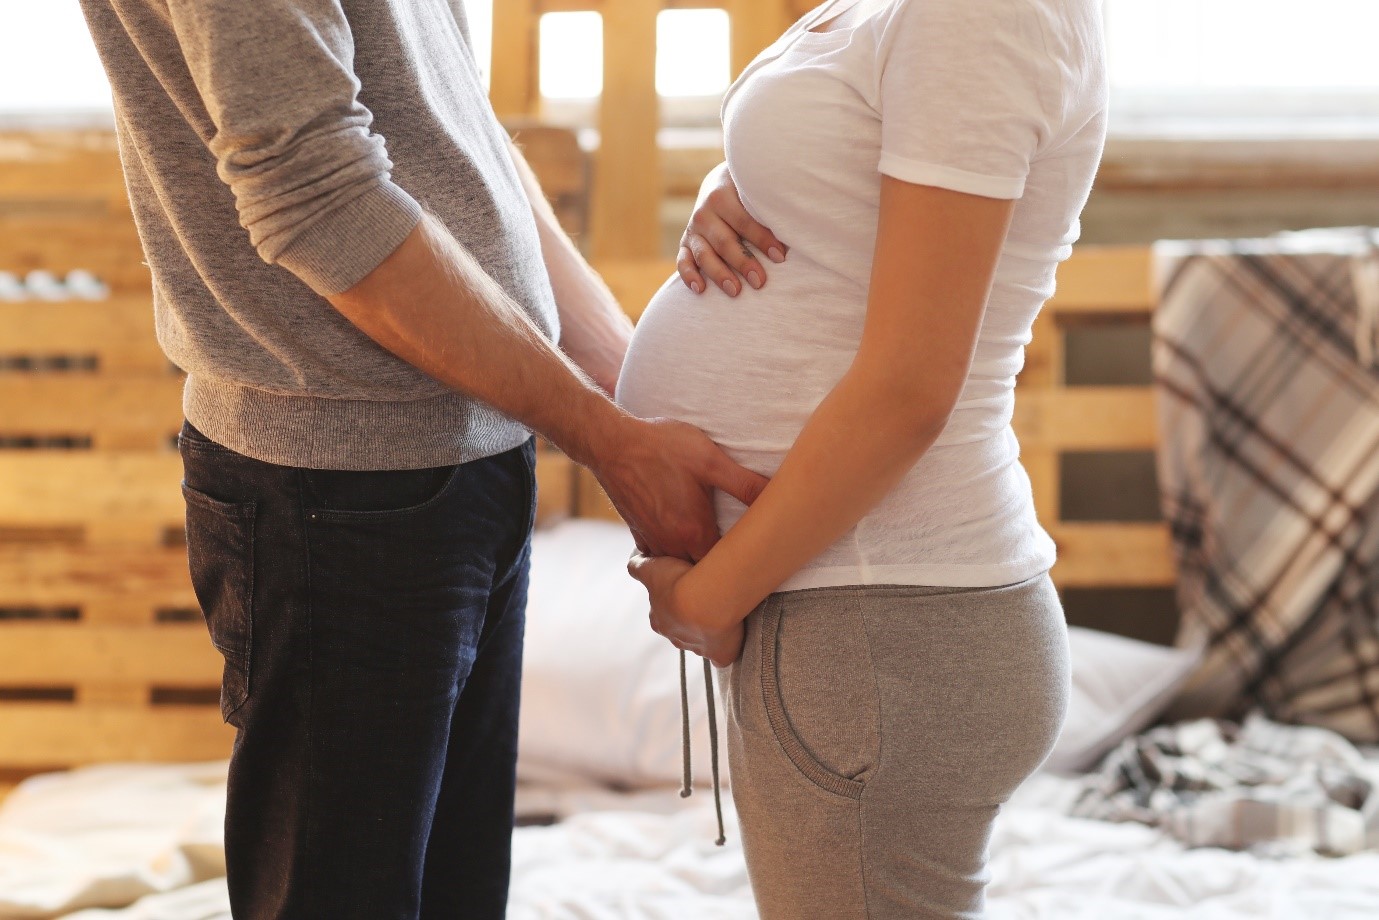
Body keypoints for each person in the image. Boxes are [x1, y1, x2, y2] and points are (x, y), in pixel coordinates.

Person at [76, 1, 766, 917]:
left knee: (456, 896)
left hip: (473, 455)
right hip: (337, 490)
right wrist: (608, 440)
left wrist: (628, 400)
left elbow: (448, 127)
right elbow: (318, 198)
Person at [619, 0, 1108, 916]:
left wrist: (705, 601)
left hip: (879, 623)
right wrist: (742, 182)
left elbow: (909, 389)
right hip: (859, 611)